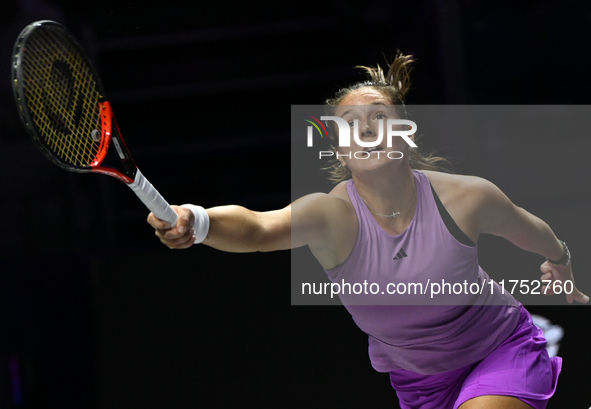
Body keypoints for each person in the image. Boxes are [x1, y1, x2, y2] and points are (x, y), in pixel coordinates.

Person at [147, 52, 588, 409]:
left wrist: (560, 259)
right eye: (350, 125)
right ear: (338, 148)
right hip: (419, 384)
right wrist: (196, 220)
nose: (367, 130)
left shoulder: (466, 198)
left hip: (500, 348)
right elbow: (261, 227)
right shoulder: (331, 217)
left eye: (380, 117)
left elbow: (528, 229)